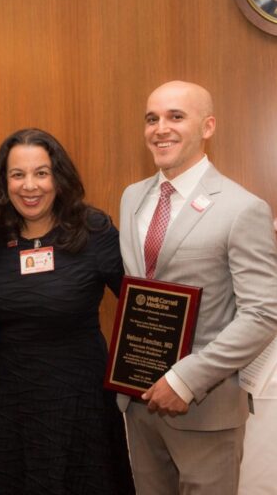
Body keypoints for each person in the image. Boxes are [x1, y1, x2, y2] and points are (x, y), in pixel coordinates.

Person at [118, 80, 277, 494]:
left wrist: (185, 380)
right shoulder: (132, 198)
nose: (160, 129)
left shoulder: (242, 208)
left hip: (205, 410)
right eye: (151, 118)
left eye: (176, 116)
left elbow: (263, 313)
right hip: (139, 401)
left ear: (208, 127)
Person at [0, 128, 135, 494]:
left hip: (79, 398)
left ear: (58, 177)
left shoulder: (93, 231)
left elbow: (140, 305)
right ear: (4, 182)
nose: (29, 186)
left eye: (41, 173)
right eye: (17, 174)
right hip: (12, 397)